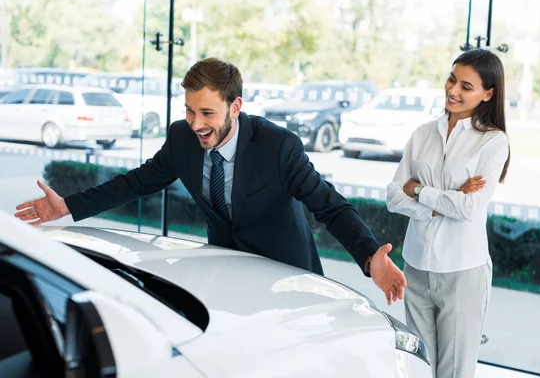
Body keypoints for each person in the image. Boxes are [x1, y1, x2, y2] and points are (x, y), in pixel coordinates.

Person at [15, 57, 406, 305]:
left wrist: (370, 257)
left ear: (235, 107)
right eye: (189, 110)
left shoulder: (278, 147)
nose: (196, 124)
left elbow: (330, 207)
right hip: (226, 270)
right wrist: (67, 206)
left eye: (207, 112)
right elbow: (136, 182)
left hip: (288, 276)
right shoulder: (182, 138)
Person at [386, 48, 510, 377]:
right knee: (420, 365)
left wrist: (420, 191)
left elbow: (469, 208)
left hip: (462, 270)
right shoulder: (423, 134)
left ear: (488, 94)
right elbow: (392, 197)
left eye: (466, 87)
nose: (453, 91)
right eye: (452, 79)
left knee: (454, 370)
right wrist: (443, 202)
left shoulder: (493, 143)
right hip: (416, 266)